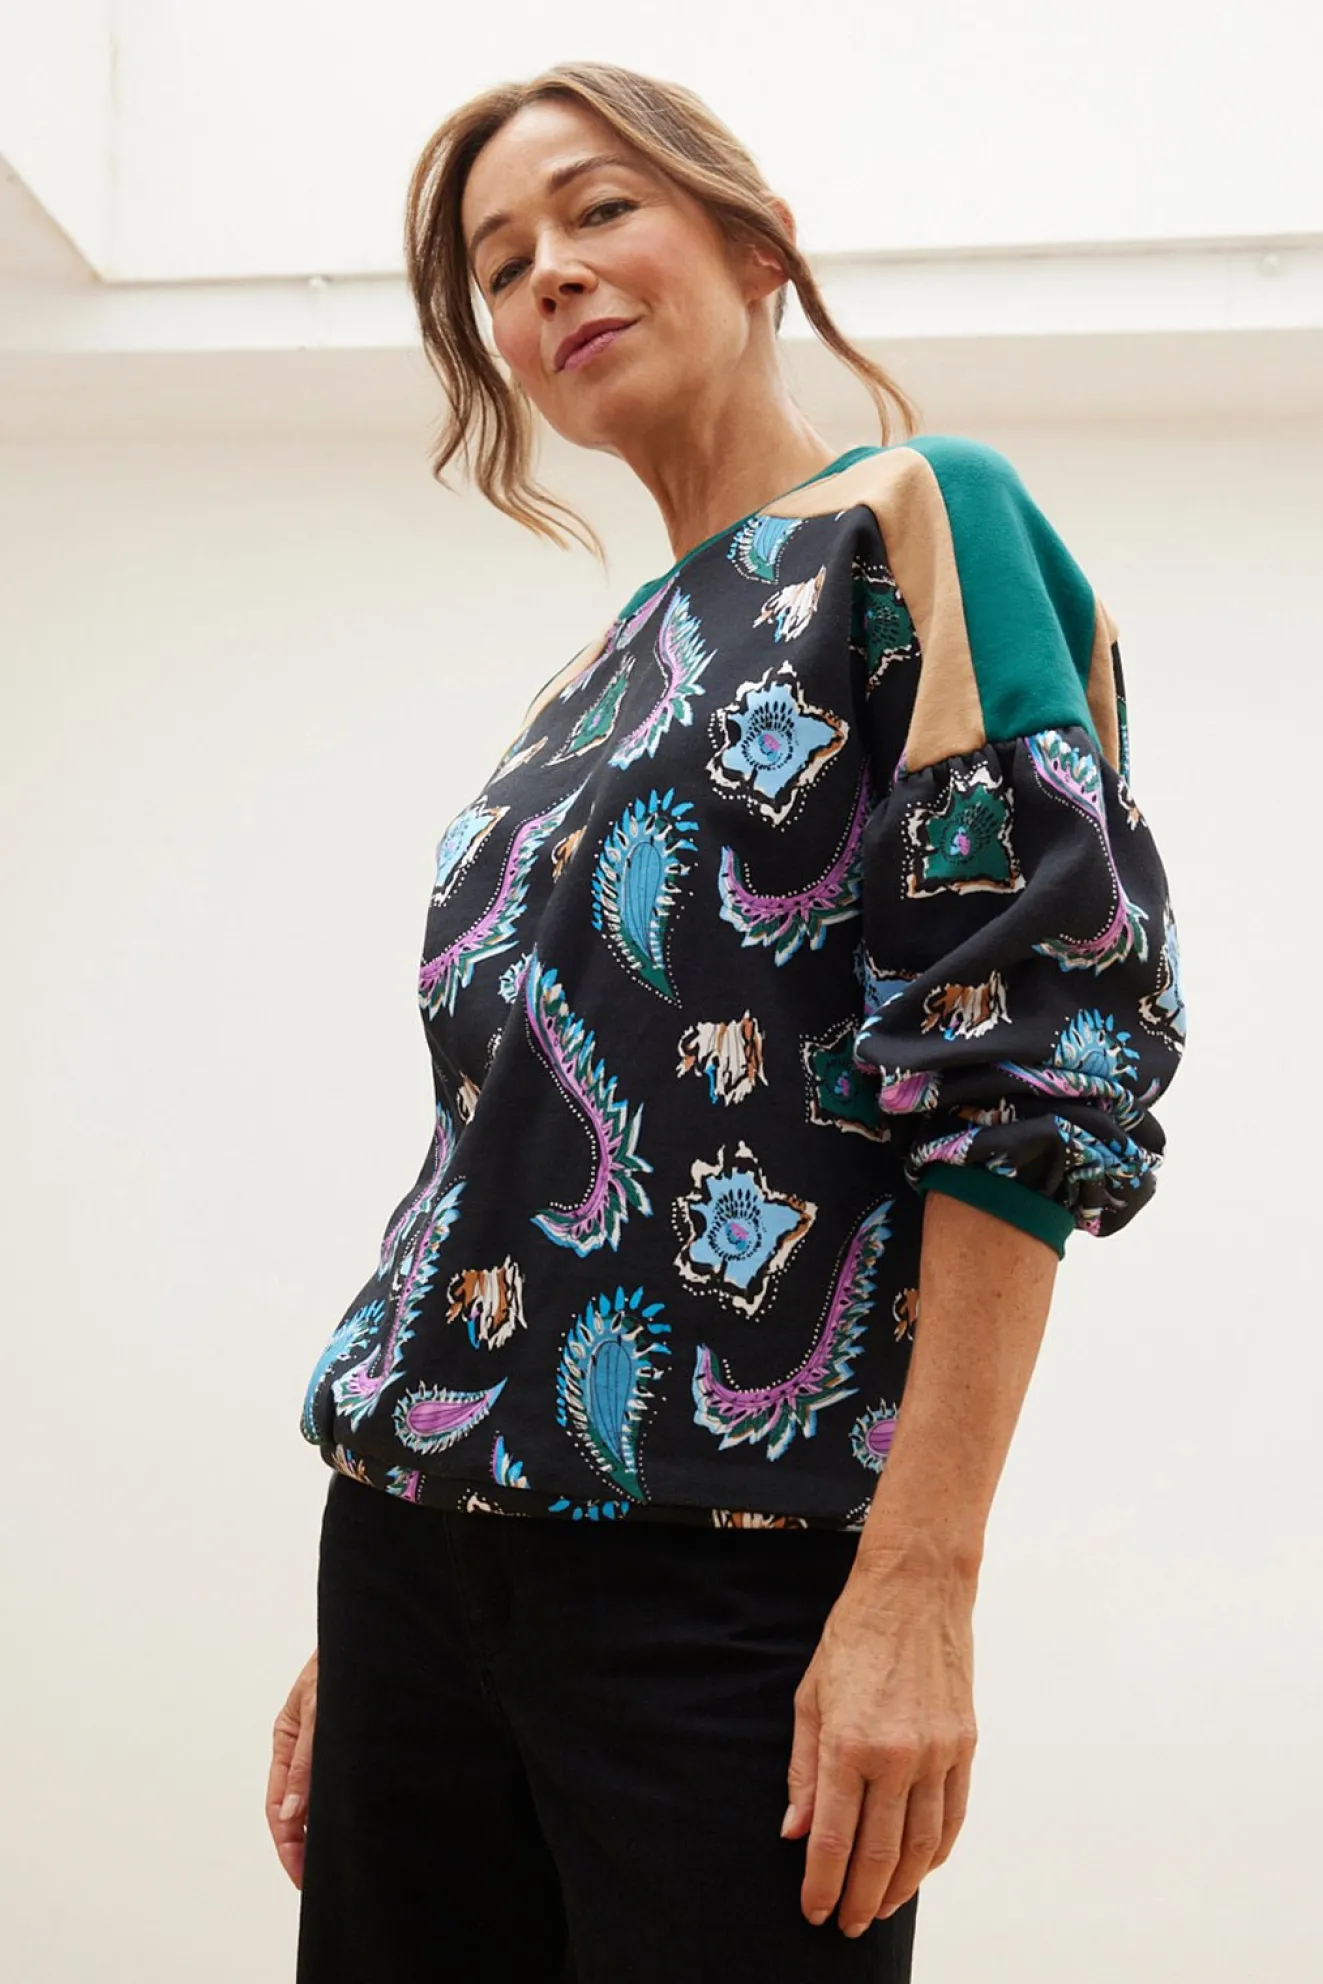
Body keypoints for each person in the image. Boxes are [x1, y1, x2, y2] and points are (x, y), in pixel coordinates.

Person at [266, 59, 1186, 1984]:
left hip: (725, 1568)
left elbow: (1029, 1061)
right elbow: (491, 1147)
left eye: (598, 209)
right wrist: (386, 1565)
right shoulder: (583, 687)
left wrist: (919, 1585)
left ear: (755, 247)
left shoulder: (918, 521)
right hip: (418, 1554)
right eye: (498, 263)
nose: (548, 274)